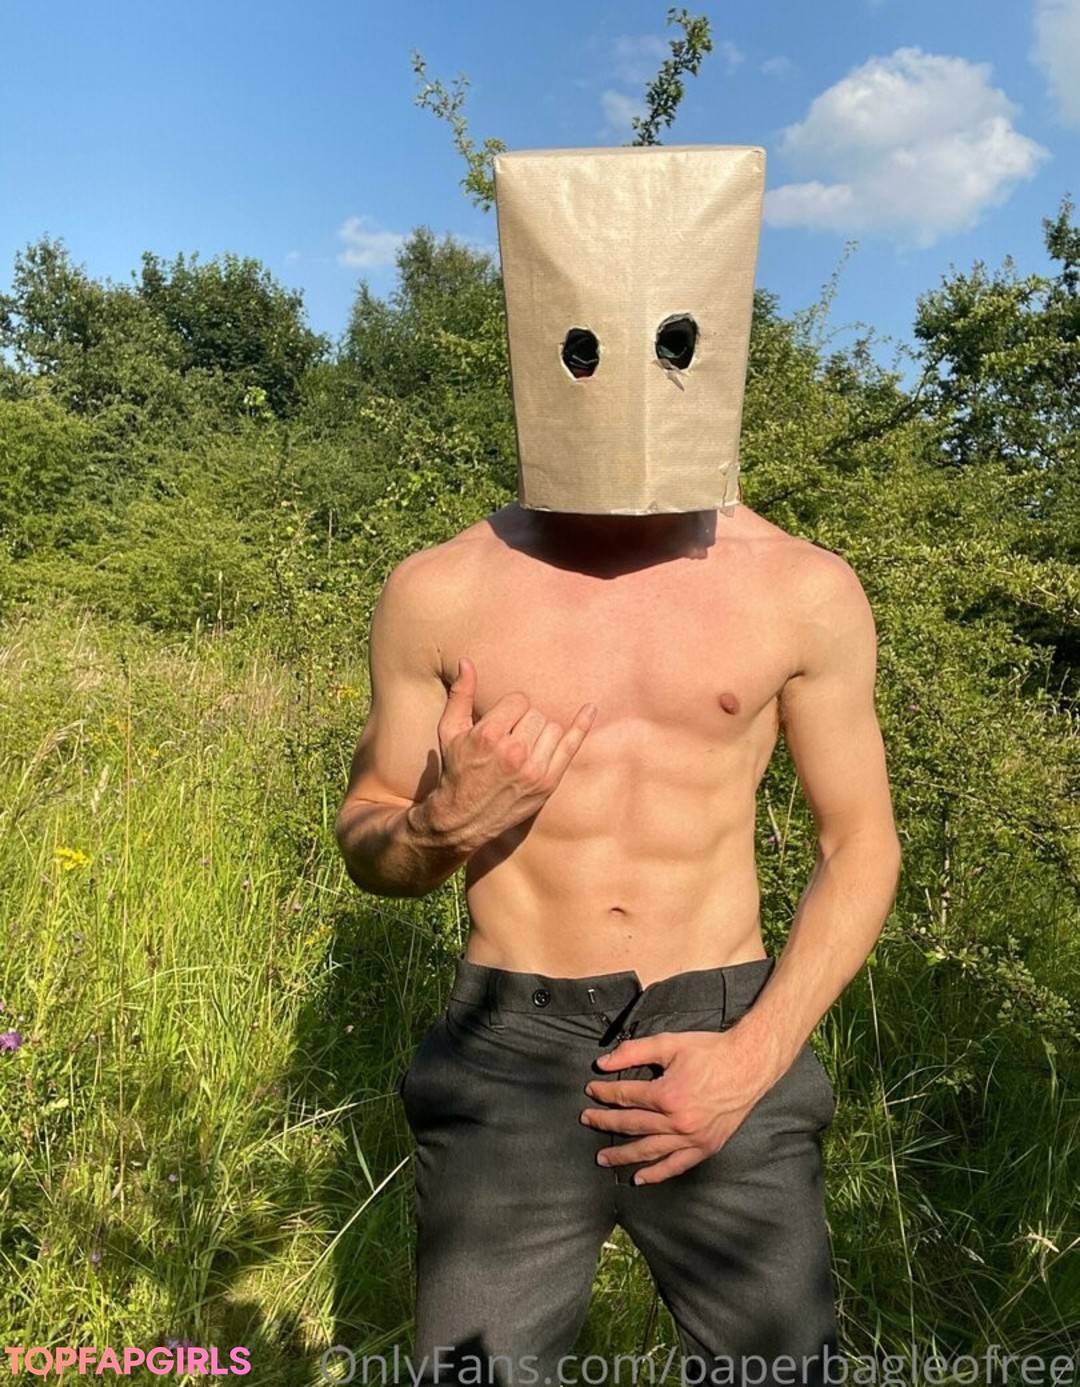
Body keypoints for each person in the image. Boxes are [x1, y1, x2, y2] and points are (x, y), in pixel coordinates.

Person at [335, 146, 902, 1385]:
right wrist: (435, 830)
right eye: (584, 347)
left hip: (724, 1025)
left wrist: (755, 1056)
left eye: (670, 343)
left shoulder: (803, 590)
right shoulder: (440, 589)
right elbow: (368, 830)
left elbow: (860, 844)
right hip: (511, 1038)